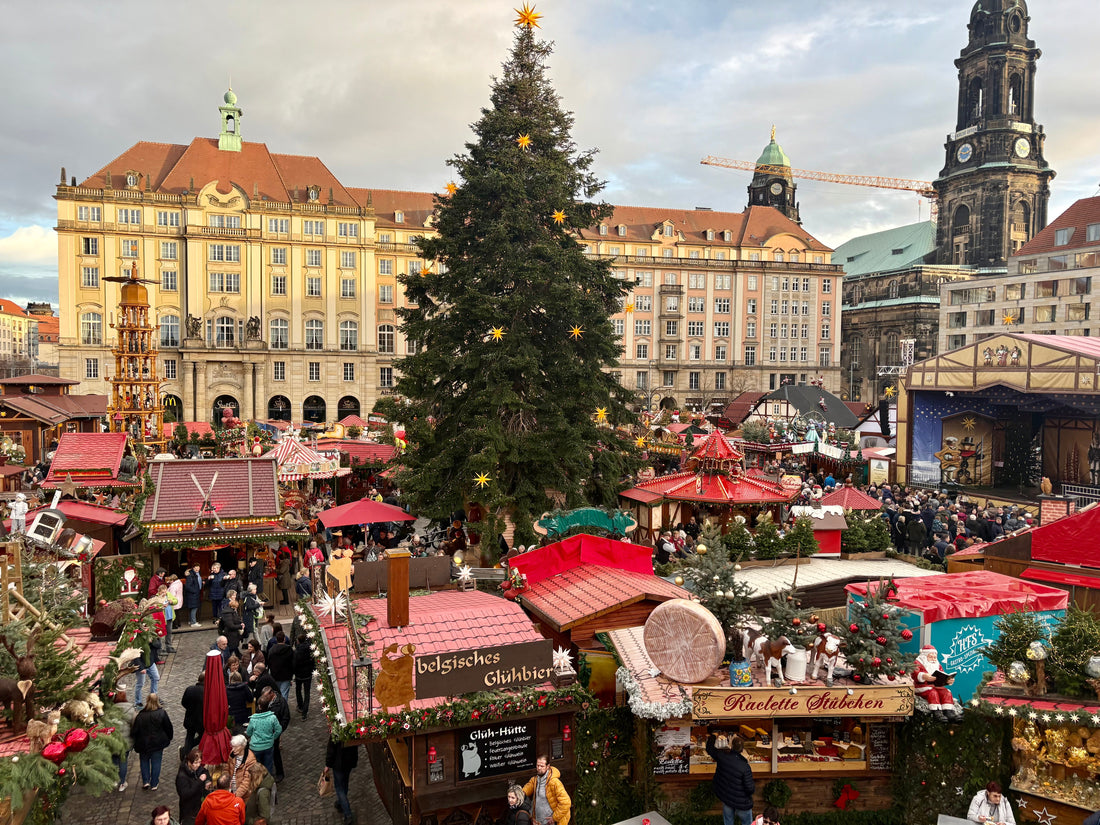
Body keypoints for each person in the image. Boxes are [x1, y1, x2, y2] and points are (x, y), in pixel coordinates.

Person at [706, 731, 755, 825]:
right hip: (742, 803)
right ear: (742, 749)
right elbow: (750, 788)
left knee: (728, 822)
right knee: (747, 823)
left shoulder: (723, 757)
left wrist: (713, 736)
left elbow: (710, 749)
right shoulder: (745, 767)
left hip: (727, 799)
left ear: (731, 746)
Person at [131, 692, 174, 791]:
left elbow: (134, 731)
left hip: (143, 743)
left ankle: (146, 781)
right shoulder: (162, 713)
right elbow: (168, 727)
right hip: (157, 743)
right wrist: (169, 737)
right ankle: (154, 783)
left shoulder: (141, 715)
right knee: (156, 762)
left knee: (144, 761)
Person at [914, 644, 962, 722]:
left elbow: (942, 674)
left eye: (935, 657)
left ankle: (948, 711)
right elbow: (915, 673)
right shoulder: (917, 663)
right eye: (930, 657)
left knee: (947, 692)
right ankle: (937, 712)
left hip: (935, 686)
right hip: (922, 687)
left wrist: (947, 680)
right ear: (924, 656)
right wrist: (923, 676)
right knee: (933, 693)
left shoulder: (937, 664)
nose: (933, 659)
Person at [522, 755, 571, 825]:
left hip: (549, 823)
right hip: (538, 821)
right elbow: (528, 787)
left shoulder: (554, 782)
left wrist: (554, 818)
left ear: (548, 766)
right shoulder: (535, 780)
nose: (539, 768)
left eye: (542, 766)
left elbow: (566, 803)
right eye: (537, 765)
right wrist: (520, 794)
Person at [324, 734, 359, 825]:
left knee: (339, 788)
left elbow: (331, 749)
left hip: (338, 764)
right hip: (349, 762)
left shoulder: (336, 733)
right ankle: (340, 803)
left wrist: (328, 764)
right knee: (345, 783)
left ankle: (348, 814)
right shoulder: (352, 732)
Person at [259, 685, 289, 781]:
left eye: (266, 696)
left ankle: (280, 773)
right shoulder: (265, 701)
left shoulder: (281, 702)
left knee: (276, 752)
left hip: (274, 732)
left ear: (271, 693)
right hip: (265, 732)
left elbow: (286, 717)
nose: (265, 698)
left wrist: (279, 730)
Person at [244, 695, 280, 776]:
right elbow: (278, 730)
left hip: (255, 747)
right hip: (268, 746)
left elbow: (249, 733)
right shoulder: (272, 717)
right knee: (268, 767)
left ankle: (258, 781)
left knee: (256, 769)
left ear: (259, 706)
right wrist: (273, 738)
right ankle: (268, 782)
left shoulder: (253, 719)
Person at [176, 748, 210, 825]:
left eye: (199, 762)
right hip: (188, 810)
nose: (198, 765)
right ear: (189, 762)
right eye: (195, 763)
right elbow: (185, 794)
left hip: (197, 805)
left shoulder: (196, 768)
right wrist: (199, 781)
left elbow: (205, 772)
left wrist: (207, 780)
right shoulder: (182, 777)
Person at [226, 734, 257, 806]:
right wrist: (226, 780)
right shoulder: (232, 754)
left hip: (242, 795)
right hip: (231, 790)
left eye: (235, 747)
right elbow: (227, 767)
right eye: (232, 746)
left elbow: (246, 782)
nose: (233, 749)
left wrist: (235, 796)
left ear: (243, 746)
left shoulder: (251, 760)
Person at [180, 672, 205, 757]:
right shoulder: (207, 692)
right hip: (201, 721)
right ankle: (185, 751)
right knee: (202, 737)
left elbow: (183, 702)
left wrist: (190, 709)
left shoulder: (189, 689)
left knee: (189, 737)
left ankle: (185, 753)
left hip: (190, 718)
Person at [266, 632, 294, 703]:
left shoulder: (271, 650)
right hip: (286, 675)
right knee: (284, 694)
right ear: (284, 639)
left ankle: (278, 707)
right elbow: (293, 662)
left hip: (275, 675)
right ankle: (283, 707)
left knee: (276, 693)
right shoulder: (289, 649)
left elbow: (269, 662)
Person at [292, 633, 315, 720]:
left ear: (298, 641)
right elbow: (312, 661)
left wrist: (294, 673)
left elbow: (294, 664)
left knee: (298, 690)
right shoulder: (309, 650)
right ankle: (304, 712)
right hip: (307, 674)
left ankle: (300, 706)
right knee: (307, 693)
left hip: (299, 675)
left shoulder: (296, 651)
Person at [133, 644, 161, 709]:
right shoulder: (137, 641)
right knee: (140, 684)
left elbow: (158, 645)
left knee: (156, 678)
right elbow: (135, 656)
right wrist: (141, 668)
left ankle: (153, 698)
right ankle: (138, 702)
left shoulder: (150, 639)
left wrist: (152, 642)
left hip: (150, 663)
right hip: (141, 664)